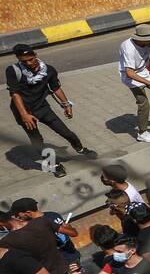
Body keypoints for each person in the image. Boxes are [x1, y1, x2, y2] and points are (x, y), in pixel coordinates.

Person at [6, 44, 94, 177]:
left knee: (65, 132)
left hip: (42, 107)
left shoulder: (48, 70)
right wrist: (24, 114)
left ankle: (80, 148)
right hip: (24, 111)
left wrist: (67, 105)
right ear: (19, 59)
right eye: (24, 61)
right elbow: (15, 94)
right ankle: (54, 165)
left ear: (35, 55)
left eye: (31, 59)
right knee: (37, 140)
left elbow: (56, 88)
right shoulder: (13, 71)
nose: (29, 63)